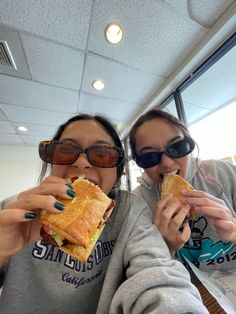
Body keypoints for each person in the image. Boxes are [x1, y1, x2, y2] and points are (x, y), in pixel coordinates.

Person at [0, 114, 208, 314]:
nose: (81, 163)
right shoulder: (14, 213)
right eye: (65, 151)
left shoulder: (130, 210)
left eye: (102, 154)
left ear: (118, 171)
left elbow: (156, 273)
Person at [129, 108, 236, 310]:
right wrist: (165, 248)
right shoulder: (138, 202)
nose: (167, 163)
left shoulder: (222, 174)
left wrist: (234, 231)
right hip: (189, 294)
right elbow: (144, 279)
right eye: (149, 157)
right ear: (139, 163)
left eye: (177, 148)